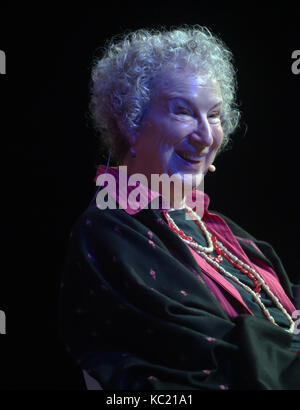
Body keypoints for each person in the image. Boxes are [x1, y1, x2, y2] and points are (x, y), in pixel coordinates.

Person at [58, 26, 300, 390]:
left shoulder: (218, 230)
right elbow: (204, 357)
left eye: (215, 115)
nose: (206, 136)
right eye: (183, 112)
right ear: (131, 122)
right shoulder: (111, 230)